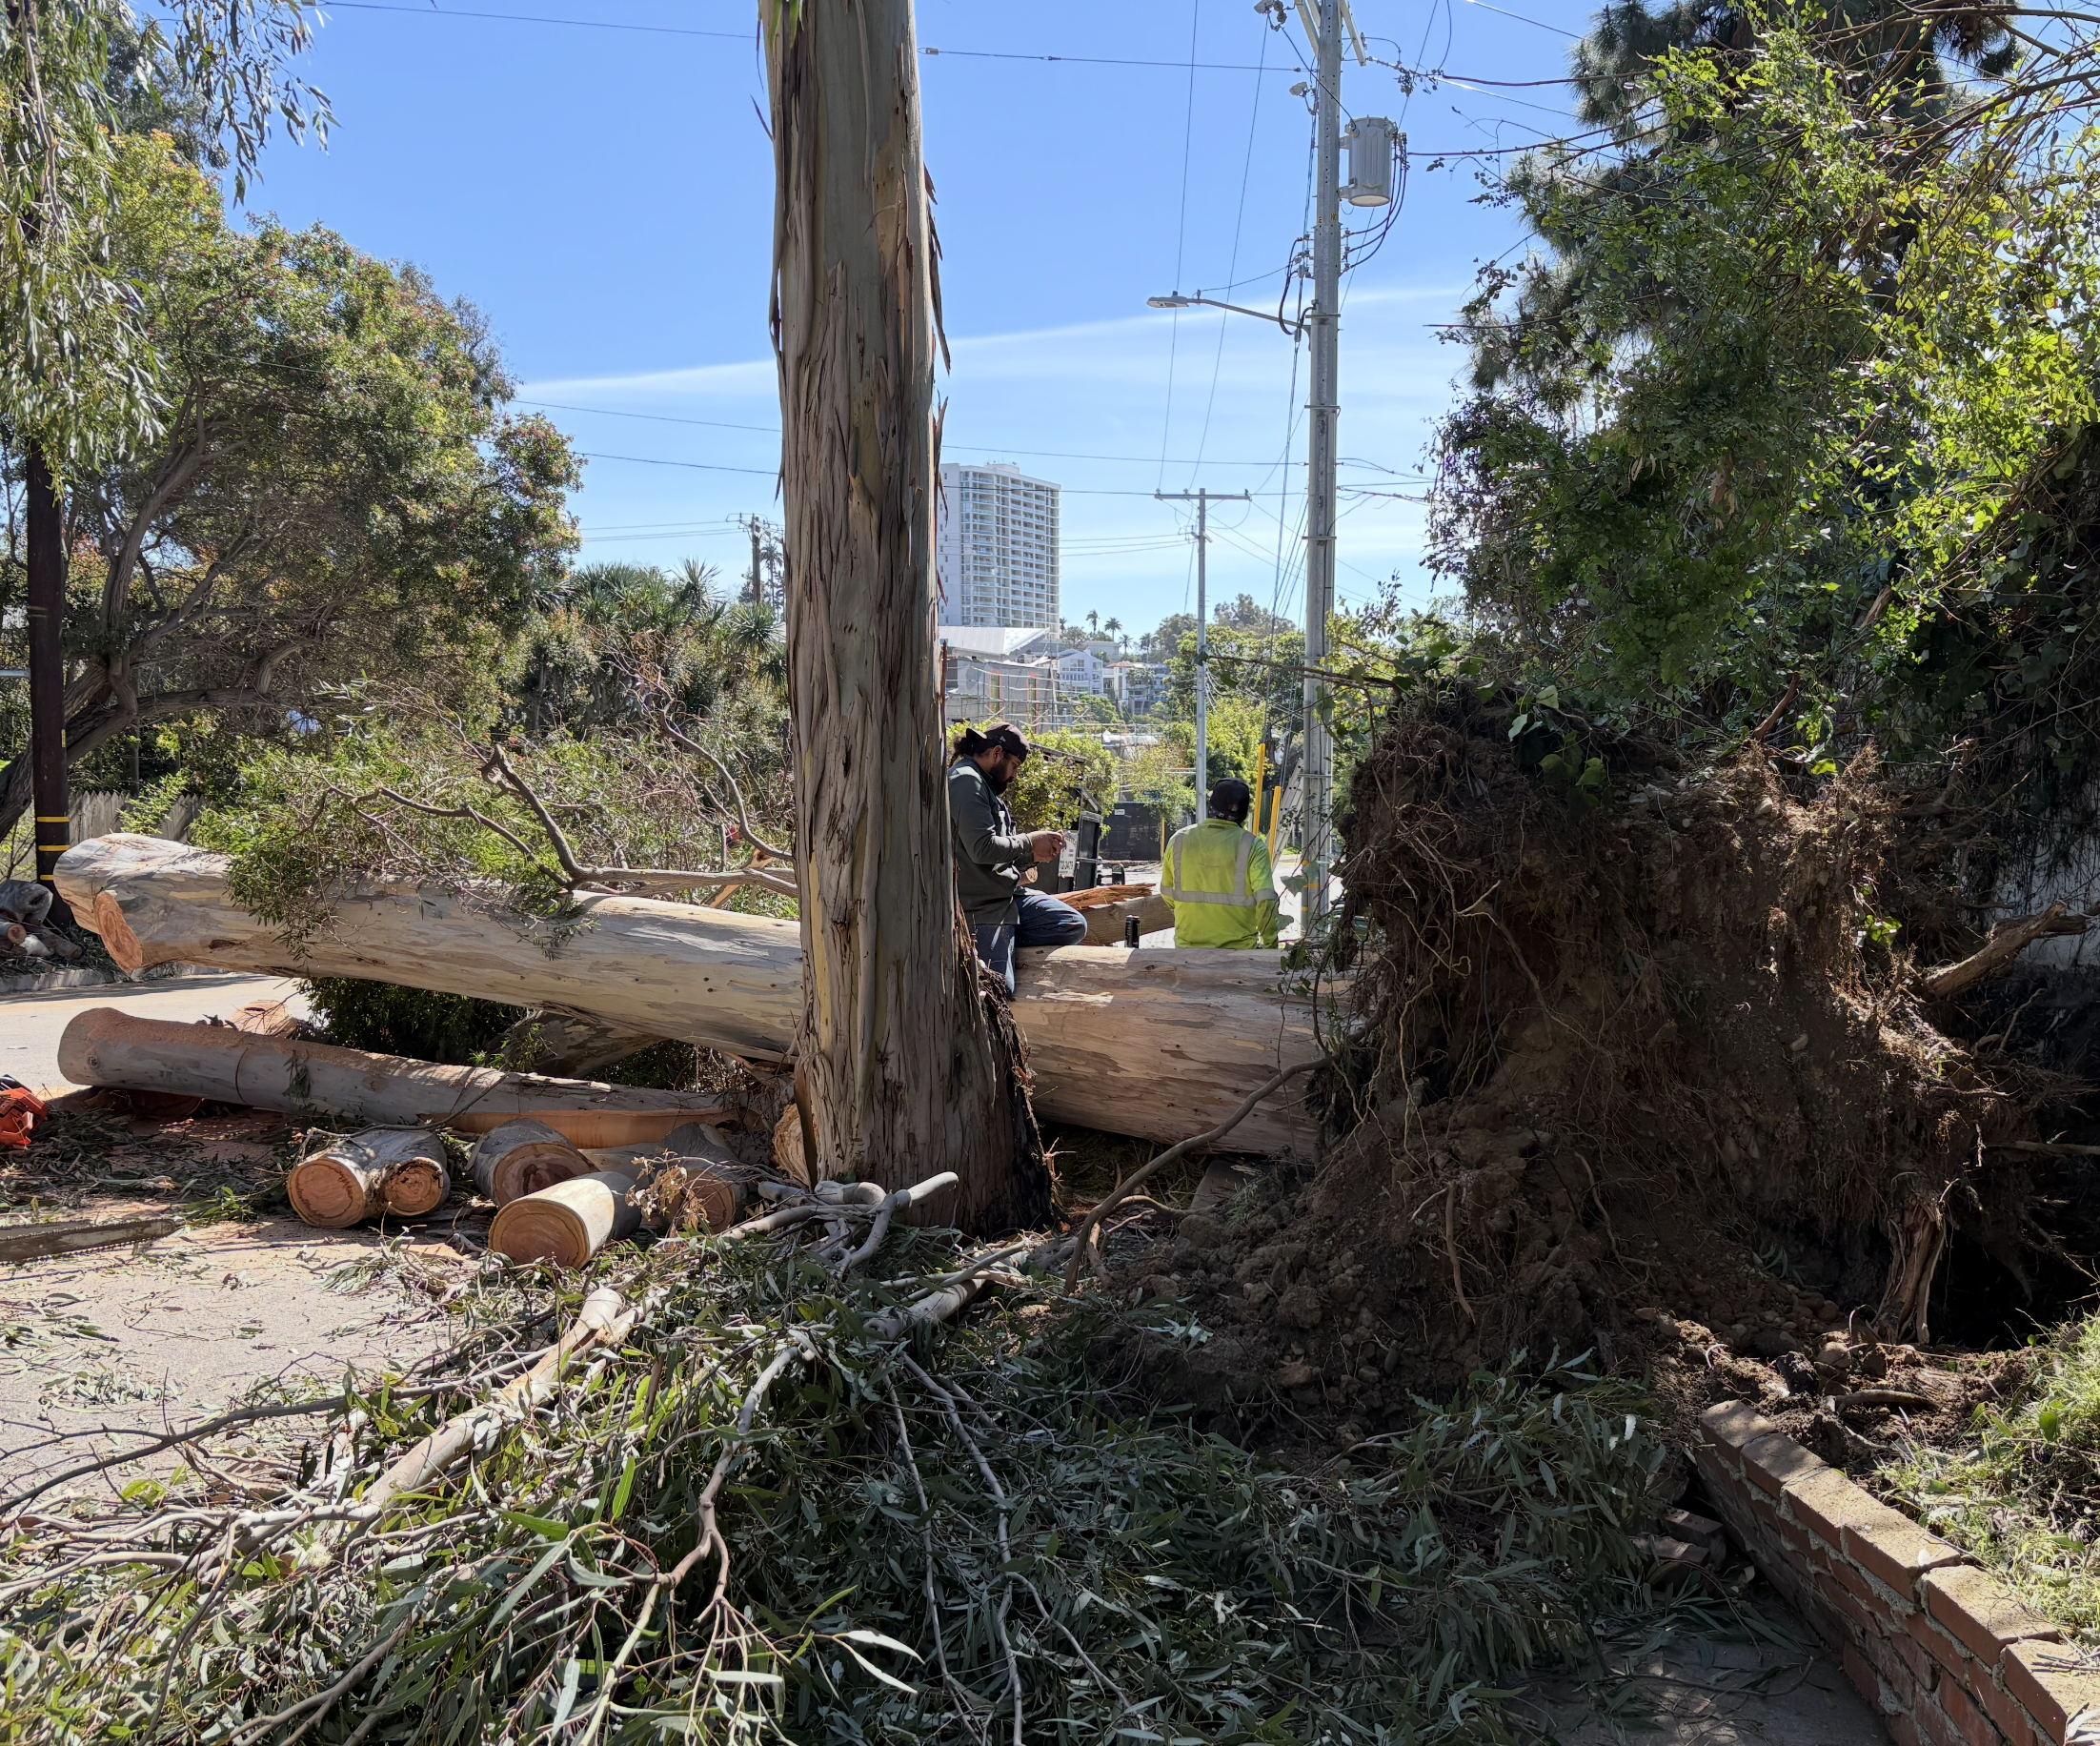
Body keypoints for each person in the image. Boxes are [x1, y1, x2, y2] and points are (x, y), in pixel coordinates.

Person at [949, 721, 1088, 991]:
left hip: (1006, 898)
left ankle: (1007, 940)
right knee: (996, 992)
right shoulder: (966, 781)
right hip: (981, 910)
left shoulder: (982, 783)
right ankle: (981, 942)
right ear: (997, 753)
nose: (1014, 776)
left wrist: (1035, 852)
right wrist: (1029, 841)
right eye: (1015, 766)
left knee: (1071, 924)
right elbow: (982, 848)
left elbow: (999, 853)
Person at [1160, 777, 1281, 949]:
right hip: (1239, 953)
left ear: (1211, 806)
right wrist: (1270, 946)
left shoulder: (1179, 840)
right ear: (1245, 812)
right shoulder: (1252, 845)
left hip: (1187, 951)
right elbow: (1265, 900)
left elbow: (1167, 893)